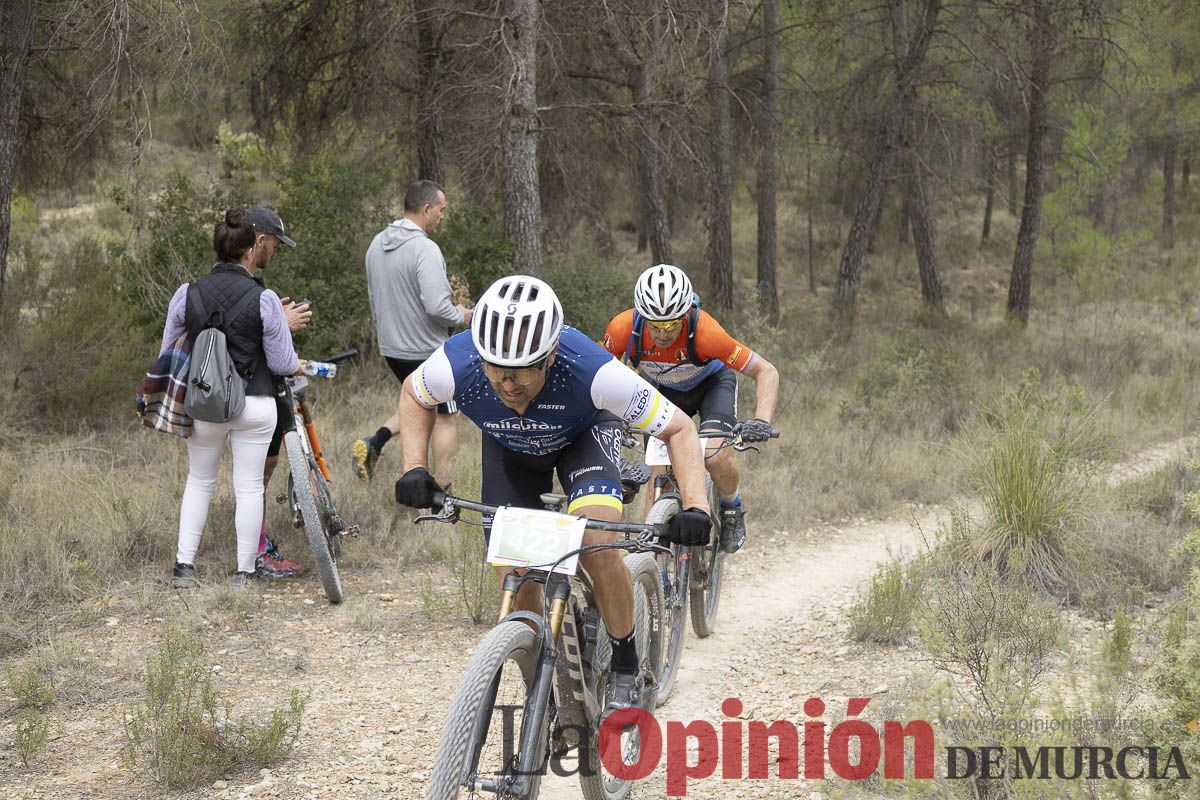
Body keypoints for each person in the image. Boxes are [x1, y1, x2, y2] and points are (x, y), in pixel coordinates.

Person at [393, 275, 712, 717]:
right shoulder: (458, 362)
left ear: (551, 356)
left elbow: (678, 427)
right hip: (509, 452)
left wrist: (697, 506)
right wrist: (415, 467)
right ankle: (542, 689)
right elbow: (413, 393)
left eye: (522, 371)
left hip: (584, 440)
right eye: (495, 371)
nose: (507, 384)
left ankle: (624, 661)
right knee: (517, 575)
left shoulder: (593, 370)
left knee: (598, 545)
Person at [162, 207, 307, 588]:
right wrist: (298, 364)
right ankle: (243, 573)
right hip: (255, 403)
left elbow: (170, 351)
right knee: (249, 487)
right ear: (249, 250)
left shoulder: (186, 294)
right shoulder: (266, 299)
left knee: (199, 481)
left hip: (205, 404)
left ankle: (183, 567)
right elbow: (280, 361)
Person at [602, 263, 780, 554]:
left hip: (711, 387)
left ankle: (731, 506)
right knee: (658, 474)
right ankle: (654, 567)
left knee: (713, 456)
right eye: (654, 324)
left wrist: (761, 420)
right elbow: (601, 376)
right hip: (664, 391)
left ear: (685, 314)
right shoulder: (623, 328)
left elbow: (766, 371)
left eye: (671, 324)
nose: (662, 333)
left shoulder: (706, 331)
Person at [352, 180, 473, 487]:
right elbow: (436, 307)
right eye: (442, 210)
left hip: (392, 350)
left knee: (420, 405)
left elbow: (373, 299)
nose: (443, 216)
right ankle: (445, 493)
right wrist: (463, 315)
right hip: (427, 349)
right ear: (426, 209)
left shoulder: (376, 244)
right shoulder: (425, 249)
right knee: (447, 416)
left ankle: (375, 442)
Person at [244, 205, 311, 578]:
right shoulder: (244, 284)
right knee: (257, 477)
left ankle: (256, 547)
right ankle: (255, 552)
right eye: (276, 245)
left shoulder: (251, 285)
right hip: (254, 391)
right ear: (260, 240)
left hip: (257, 388)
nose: (277, 252)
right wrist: (281, 324)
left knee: (258, 476)